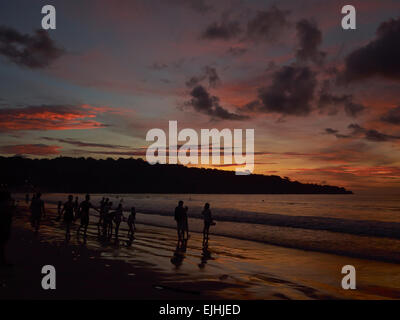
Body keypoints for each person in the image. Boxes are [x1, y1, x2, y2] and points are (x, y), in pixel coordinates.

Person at [0, 188, 15, 267]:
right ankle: (3, 261)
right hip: (4, 227)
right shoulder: (4, 206)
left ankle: (3, 260)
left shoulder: (4, 205)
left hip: (4, 226)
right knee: (2, 245)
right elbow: (7, 216)